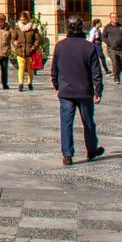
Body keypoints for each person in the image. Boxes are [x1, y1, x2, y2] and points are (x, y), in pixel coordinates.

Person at [51, 13, 105, 165]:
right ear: (82, 28)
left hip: (66, 91)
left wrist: (57, 86)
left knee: (66, 123)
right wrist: (98, 91)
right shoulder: (89, 47)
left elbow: (54, 70)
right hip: (84, 91)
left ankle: (67, 154)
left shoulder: (60, 46)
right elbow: (96, 72)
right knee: (88, 122)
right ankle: (91, 150)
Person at [9, 11, 41, 91]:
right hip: (20, 50)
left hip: (30, 50)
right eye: (21, 19)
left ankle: (30, 83)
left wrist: (34, 47)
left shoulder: (33, 28)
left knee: (30, 68)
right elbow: (13, 38)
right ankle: (20, 84)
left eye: (24, 19)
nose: (23, 21)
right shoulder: (17, 28)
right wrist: (15, 43)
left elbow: (37, 39)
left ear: (27, 19)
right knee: (21, 67)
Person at [101, 12, 122, 83]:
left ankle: (116, 74)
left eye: (116, 17)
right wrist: (110, 43)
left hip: (121, 48)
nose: (115, 18)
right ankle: (116, 78)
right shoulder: (107, 27)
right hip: (112, 49)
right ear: (110, 18)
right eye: (113, 17)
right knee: (115, 63)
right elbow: (103, 37)